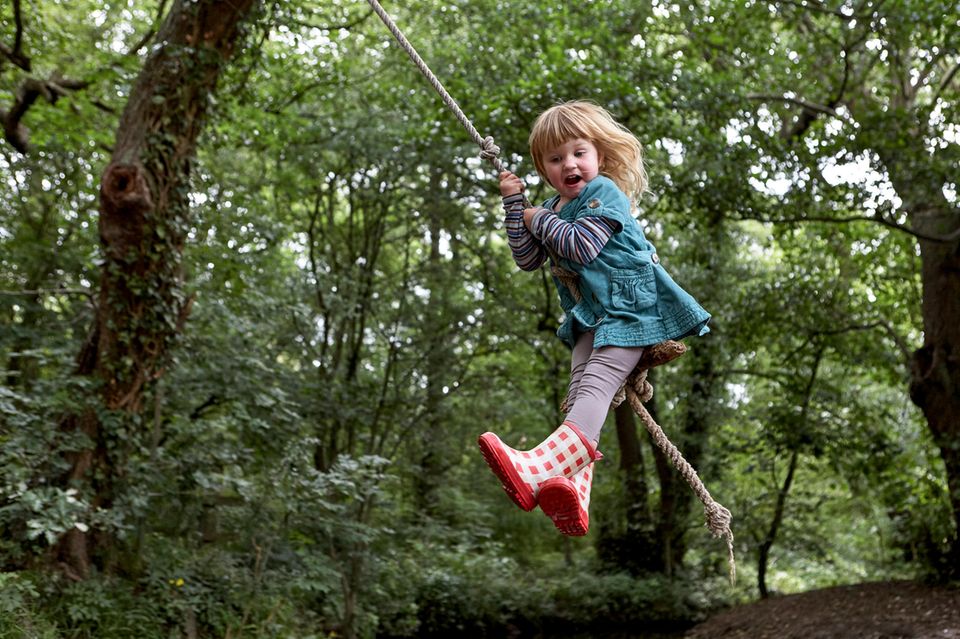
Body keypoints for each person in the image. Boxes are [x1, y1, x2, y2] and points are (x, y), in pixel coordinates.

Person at [478, 100, 711, 536]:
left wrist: (534, 216)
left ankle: (539, 468)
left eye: (578, 153)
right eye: (555, 158)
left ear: (598, 156)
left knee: (599, 379)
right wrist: (515, 208)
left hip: (630, 306)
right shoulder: (552, 207)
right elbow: (528, 258)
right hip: (590, 314)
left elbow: (579, 246)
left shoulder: (604, 193)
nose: (569, 164)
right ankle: (572, 488)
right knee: (580, 390)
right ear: (544, 169)